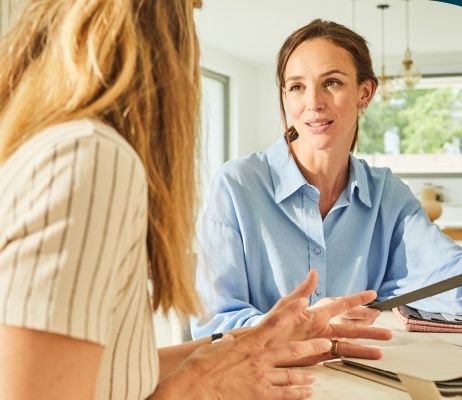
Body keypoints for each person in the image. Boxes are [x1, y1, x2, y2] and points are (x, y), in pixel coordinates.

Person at [0, 3, 393, 400]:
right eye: (190, 12)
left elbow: (114, 371)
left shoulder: (68, 149)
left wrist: (255, 341)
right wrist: (197, 388)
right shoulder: (91, 158)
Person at [192, 19, 462, 338]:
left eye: (332, 82)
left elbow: (448, 280)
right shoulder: (236, 186)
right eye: (296, 87)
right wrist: (306, 328)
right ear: (284, 97)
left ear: (365, 93)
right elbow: (212, 323)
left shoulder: (386, 195)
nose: (313, 102)